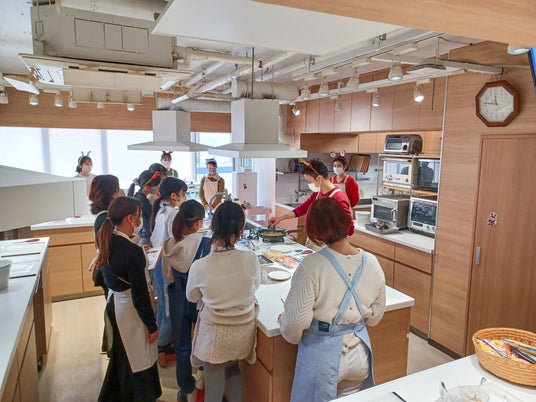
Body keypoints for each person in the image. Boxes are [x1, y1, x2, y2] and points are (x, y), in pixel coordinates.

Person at [279, 198, 386, 402]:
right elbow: (375, 317)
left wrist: (283, 321)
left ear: (315, 230)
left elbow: (295, 326)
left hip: (323, 357)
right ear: (346, 222)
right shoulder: (372, 262)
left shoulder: (312, 266)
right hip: (360, 355)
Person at [186, 201, 260, 402]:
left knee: (214, 382)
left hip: (216, 336)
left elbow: (192, 296)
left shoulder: (200, 266)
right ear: (241, 231)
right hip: (242, 333)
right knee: (233, 368)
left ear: (213, 226)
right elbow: (255, 286)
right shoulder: (251, 259)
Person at [95, 196, 162, 402]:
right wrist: (151, 325)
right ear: (130, 219)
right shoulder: (132, 251)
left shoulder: (108, 240)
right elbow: (140, 296)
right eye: (138, 216)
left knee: (124, 358)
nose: (140, 220)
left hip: (116, 305)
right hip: (131, 311)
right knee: (139, 360)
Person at [162, 199, 211, 402]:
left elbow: (167, 276)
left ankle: (185, 388)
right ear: (198, 223)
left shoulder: (170, 244)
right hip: (198, 300)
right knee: (202, 340)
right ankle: (202, 377)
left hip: (177, 297)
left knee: (182, 344)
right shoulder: (205, 244)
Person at [149, 177, 188, 367]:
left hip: (157, 261)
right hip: (164, 264)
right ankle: (162, 345)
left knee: (164, 306)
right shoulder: (172, 213)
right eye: (182, 193)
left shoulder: (161, 209)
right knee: (169, 309)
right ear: (173, 195)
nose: (183, 196)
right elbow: (176, 243)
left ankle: (161, 342)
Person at [269, 159, 355, 238]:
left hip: (329, 241)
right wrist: (281, 218)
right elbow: (303, 208)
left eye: (309, 181)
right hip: (316, 238)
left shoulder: (338, 198)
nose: (309, 184)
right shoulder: (318, 193)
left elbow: (350, 229)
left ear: (320, 178)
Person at [88, 174, 121, 354]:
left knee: (112, 308)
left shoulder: (104, 215)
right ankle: (111, 348)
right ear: (112, 191)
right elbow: (110, 247)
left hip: (106, 268)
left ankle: (108, 345)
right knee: (113, 309)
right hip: (108, 270)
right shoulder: (105, 217)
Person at [127, 170, 162, 246]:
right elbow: (152, 216)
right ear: (147, 188)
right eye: (157, 185)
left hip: (143, 235)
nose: (159, 187)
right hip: (145, 236)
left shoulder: (138, 197)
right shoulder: (142, 201)